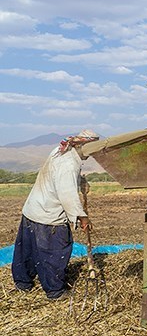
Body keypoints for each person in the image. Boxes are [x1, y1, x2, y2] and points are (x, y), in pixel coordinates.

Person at [12, 129, 100, 300]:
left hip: (32, 209)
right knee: (54, 251)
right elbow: (67, 195)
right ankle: (55, 291)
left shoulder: (61, 151)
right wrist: (82, 217)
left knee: (27, 250)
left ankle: (23, 283)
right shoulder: (69, 164)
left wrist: (80, 181)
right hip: (48, 216)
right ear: (81, 145)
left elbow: (58, 178)